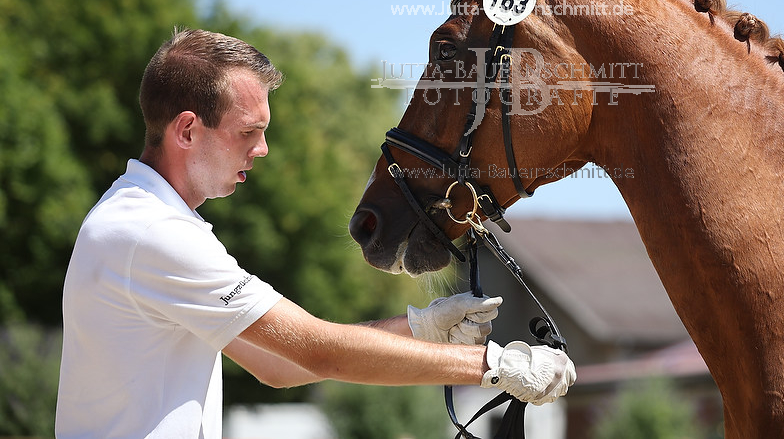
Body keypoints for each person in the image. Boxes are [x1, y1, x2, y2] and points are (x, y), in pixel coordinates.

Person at [55, 28, 575, 438]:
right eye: (247, 133)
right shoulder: (151, 232)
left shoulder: (145, 221)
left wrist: (421, 327)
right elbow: (316, 350)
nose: (261, 150)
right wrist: (494, 364)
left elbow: (277, 366)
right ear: (187, 130)